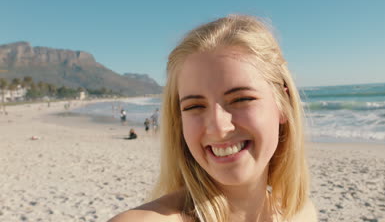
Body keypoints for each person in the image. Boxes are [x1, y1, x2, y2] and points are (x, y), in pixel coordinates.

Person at [109, 15, 316, 222]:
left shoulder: (301, 214)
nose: (218, 127)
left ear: (283, 104)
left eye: (241, 99)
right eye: (195, 106)